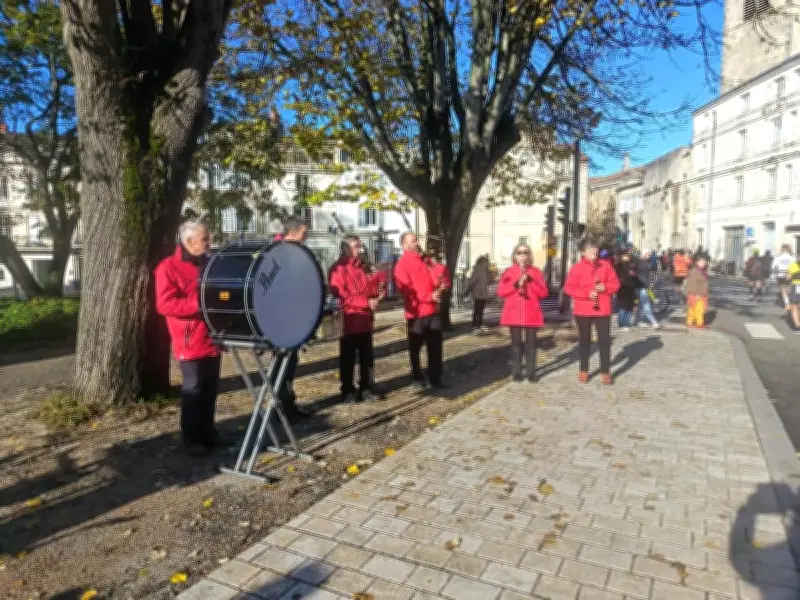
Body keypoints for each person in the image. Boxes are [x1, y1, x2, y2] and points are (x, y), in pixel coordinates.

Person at [154, 221, 226, 456]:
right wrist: (199, 304)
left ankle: (209, 431)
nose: (209, 243)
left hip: (212, 336)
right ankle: (192, 437)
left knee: (210, 388)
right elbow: (165, 304)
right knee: (193, 389)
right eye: (205, 239)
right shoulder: (167, 268)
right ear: (189, 241)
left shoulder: (209, 263)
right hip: (189, 339)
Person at [328, 235, 386, 403]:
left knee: (367, 357)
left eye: (360, 246)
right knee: (347, 358)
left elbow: (369, 289)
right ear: (345, 249)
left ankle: (367, 387)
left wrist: (378, 287)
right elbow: (342, 295)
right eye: (355, 247)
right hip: (349, 320)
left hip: (365, 319)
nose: (359, 250)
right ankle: (347, 390)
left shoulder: (362, 267)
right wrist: (366, 302)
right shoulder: (338, 269)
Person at [564, 237, 621, 385]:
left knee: (604, 341)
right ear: (583, 252)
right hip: (583, 310)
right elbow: (569, 288)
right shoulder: (576, 268)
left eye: (595, 248)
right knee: (584, 341)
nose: (594, 251)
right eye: (590, 248)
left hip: (602, 309)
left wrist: (606, 288)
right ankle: (584, 370)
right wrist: (586, 294)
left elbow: (616, 284)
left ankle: (605, 371)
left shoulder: (606, 266)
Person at [394, 232, 445, 391]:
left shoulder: (424, 260)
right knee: (416, 348)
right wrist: (428, 296)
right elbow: (407, 291)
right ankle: (417, 377)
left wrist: (440, 281)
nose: (417, 243)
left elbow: (438, 273)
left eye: (416, 240)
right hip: (416, 314)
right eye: (413, 241)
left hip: (432, 311)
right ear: (404, 245)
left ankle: (435, 377)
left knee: (436, 347)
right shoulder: (401, 265)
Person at [273, 216, 312, 420]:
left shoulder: (295, 253)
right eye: (304, 234)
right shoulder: (278, 253)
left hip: (293, 318)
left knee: (291, 363)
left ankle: (289, 404)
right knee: (281, 366)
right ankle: (281, 407)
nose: (305, 239)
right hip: (280, 321)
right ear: (293, 233)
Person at [496, 243, 548, 382]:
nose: (522, 255)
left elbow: (543, 293)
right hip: (514, 312)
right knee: (516, 345)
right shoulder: (508, 271)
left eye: (525, 252)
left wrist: (530, 281)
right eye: (519, 252)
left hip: (531, 312)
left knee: (531, 345)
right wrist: (515, 284)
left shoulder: (536, 272)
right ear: (515, 255)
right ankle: (517, 372)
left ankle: (531, 372)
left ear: (529, 255)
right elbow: (501, 292)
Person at [633, 249, 660, 329]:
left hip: (643, 286)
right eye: (648, 254)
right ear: (644, 254)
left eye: (650, 255)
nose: (649, 256)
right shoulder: (639, 262)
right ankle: (653, 321)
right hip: (640, 287)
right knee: (646, 304)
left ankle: (637, 321)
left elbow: (650, 270)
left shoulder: (644, 262)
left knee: (641, 305)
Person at [614, 248, 638, 332]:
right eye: (625, 255)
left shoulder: (630, 264)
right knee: (622, 307)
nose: (627, 257)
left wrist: (634, 275)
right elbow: (616, 276)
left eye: (628, 255)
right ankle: (622, 324)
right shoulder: (618, 265)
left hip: (630, 287)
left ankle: (626, 323)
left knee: (629, 307)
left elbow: (633, 274)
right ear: (621, 256)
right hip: (622, 288)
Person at [685, 253, 710, 328]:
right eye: (701, 262)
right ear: (697, 262)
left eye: (704, 262)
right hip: (696, 294)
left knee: (694, 308)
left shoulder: (702, 271)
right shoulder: (695, 271)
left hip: (701, 294)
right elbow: (692, 284)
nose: (703, 263)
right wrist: (696, 294)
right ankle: (698, 323)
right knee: (697, 309)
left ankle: (691, 322)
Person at [467, 255, 491, 332]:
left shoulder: (485, 270)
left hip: (483, 293)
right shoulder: (478, 269)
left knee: (481, 310)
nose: (488, 263)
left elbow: (487, 281)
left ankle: (480, 324)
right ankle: (474, 325)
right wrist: (468, 289)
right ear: (483, 262)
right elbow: (472, 281)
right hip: (478, 293)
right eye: (487, 262)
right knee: (477, 310)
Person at [774, 244, 795, 309]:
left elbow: (774, 267)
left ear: (782, 249)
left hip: (780, 275)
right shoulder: (793, 258)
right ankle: (791, 301)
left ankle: (787, 303)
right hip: (790, 274)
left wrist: (774, 275)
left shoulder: (778, 257)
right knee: (789, 288)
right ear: (788, 249)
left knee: (783, 289)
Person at [789, 255, 800, 334]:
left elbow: (788, 277)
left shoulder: (793, 266)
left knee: (794, 305)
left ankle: (797, 325)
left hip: (796, 286)